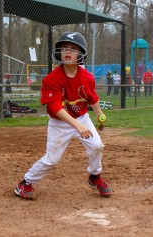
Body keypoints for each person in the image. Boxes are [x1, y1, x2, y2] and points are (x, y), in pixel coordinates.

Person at [14, 32, 112, 200]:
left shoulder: (87, 77)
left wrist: (99, 114)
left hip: (81, 118)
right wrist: (77, 125)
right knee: (52, 160)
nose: (68, 51)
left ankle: (95, 176)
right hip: (60, 122)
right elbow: (55, 107)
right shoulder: (52, 79)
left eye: (73, 49)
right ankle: (24, 183)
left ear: (81, 54)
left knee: (97, 146)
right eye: (64, 48)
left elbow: (92, 97)